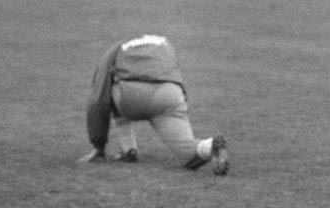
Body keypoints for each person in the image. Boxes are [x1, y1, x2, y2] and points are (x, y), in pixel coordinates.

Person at [77, 34, 229, 175]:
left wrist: (99, 146)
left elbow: (99, 100)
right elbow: (176, 77)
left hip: (131, 97)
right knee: (188, 152)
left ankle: (129, 150)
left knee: (111, 87)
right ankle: (210, 146)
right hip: (169, 95)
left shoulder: (116, 49)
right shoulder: (165, 43)